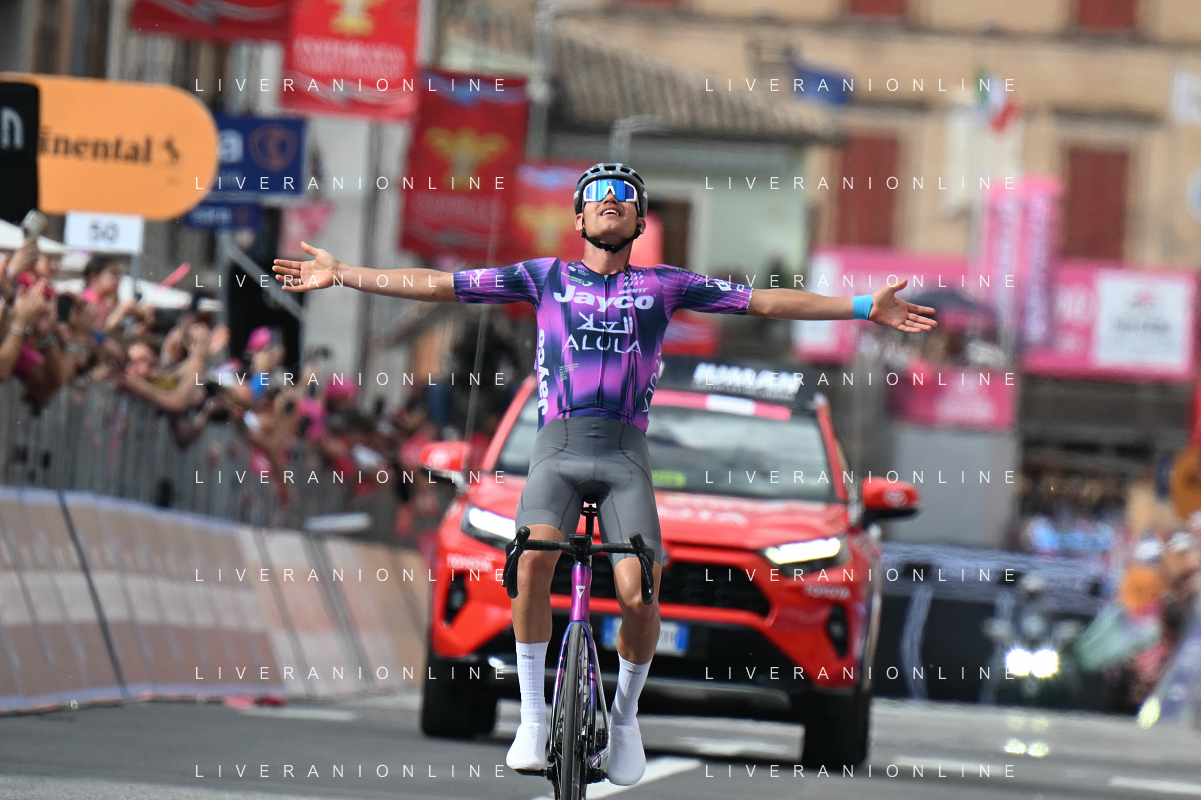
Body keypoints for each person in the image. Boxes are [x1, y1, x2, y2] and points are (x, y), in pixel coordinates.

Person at [272, 162, 937, 785]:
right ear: (579, 217)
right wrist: (344, 273)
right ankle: (534, 717)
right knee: (530, 562)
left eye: (624, 196)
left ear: (640, 222)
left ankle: (622, 721)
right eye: (597, 195)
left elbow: (763, 303)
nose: (610, 201)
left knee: (639, 591)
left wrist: (859, 307)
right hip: (556, 451)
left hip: (623, 458)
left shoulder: (663, 286)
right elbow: (442, 285)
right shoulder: (543, 278)